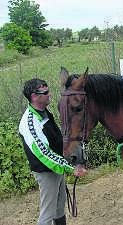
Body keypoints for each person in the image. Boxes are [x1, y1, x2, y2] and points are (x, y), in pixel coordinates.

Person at [19, 78, 87, 225]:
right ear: (34, 96)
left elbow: (55, 138)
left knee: (59, 207)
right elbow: (44, 154)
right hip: (46, 172)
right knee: (47, 213)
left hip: (57, 168)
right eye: (46, 92)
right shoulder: (30, 123)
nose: (50, 94)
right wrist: (71, 168)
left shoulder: (44, 111)